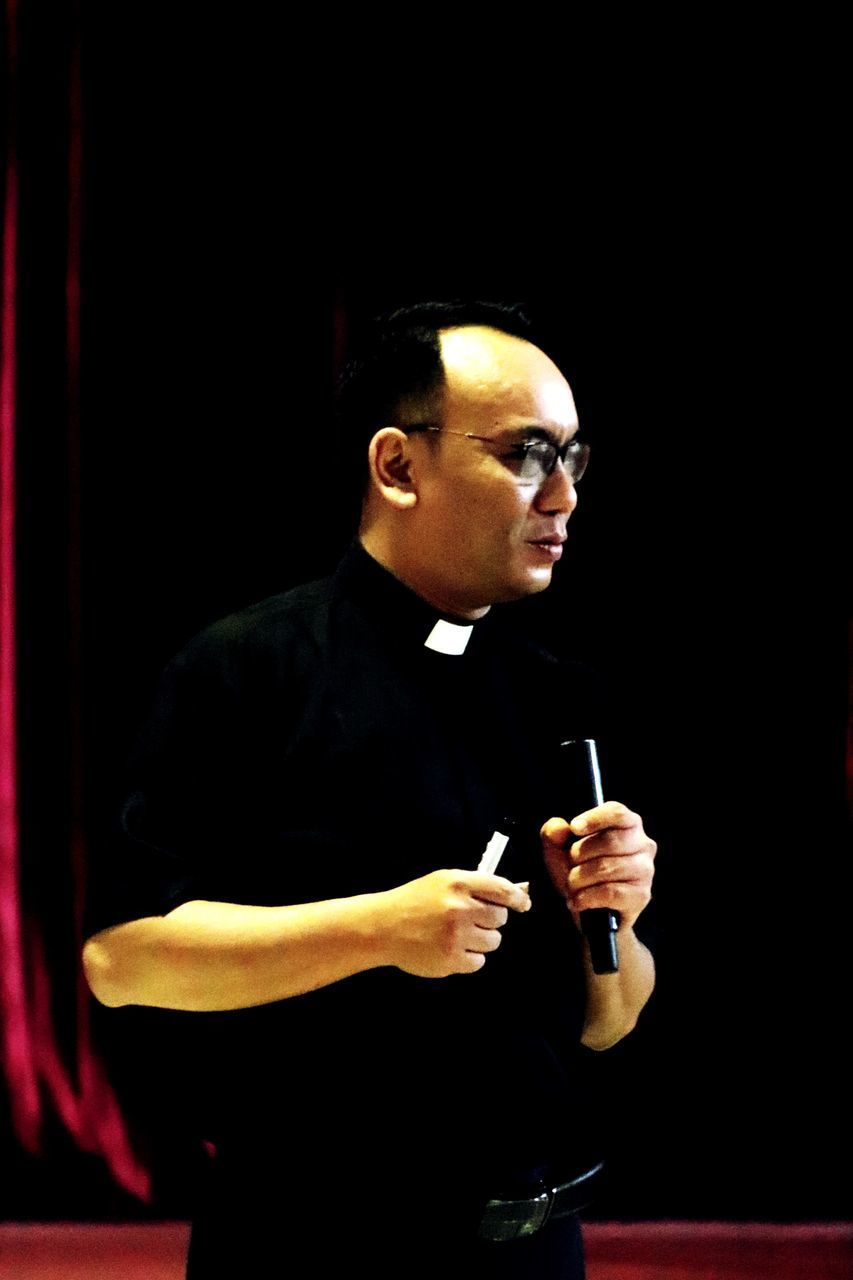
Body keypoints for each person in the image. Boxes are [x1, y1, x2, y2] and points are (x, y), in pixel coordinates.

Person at [82, 301, 656, 1279]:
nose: (560, 494)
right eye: (525, 452)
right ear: (397, 466)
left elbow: (609, 1019)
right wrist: (380, 929)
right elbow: (121, 960)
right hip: (315, 1246)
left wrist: (618, 919)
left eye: (571, 456)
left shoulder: (558, 692)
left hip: (535, 1248)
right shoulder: (246, 669)